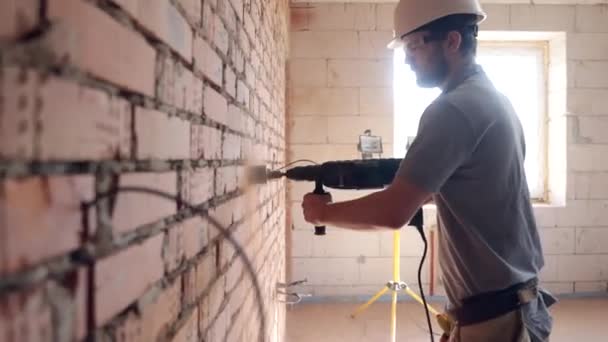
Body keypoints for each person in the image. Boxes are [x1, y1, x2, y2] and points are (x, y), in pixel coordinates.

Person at [301, 0, 557, 341]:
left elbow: (394, 213)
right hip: (513, 304)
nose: (407, 58)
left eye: (412, 46)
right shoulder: (496, 101)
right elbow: (476, 190)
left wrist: (323, 213)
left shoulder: (453, 109)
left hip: (495, 320)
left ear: (452, 41)